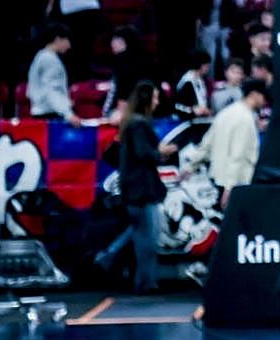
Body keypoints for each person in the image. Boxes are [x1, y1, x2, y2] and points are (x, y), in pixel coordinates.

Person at [96, 81, 176, 292]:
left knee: (139, 232)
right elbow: (144, 153)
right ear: (146, 99)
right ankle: (145, 282)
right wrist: (162, 152)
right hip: (140, 190)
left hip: (135, 189)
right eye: (155, 97)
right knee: (146, 239)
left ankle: (107, 258)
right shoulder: (138, 124)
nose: (158, 102)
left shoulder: (131, 123)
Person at [181, 78, 267, 211]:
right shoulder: (245, 119)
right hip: (236, 186)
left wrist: (190, 166)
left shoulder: (225, 113)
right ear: (254, 94)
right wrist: (230, 188)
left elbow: (206, 144)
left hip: (219, 181)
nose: (265, 101)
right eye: (263, 96)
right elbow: (238, 156)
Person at [27, 25, 81, 126]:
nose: (69, 46)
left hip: (40, 112)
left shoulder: (40, 56)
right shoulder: (50, 60)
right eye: (67, 41)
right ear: (57, 39)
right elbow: (51, 90)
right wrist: (68, 114)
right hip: (50, 115)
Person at [196, 0, 245, 71]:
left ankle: (228, 76)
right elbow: (198, 5)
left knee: (225, 54)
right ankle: (210, 79)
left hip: (225, 25)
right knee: (210, 55)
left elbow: (240, 4)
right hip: (209, 24)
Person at [173, 50, 212, 120]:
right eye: (206, 65)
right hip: (188, 121)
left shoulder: (201, 80)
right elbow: (177, 106)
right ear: (201, 64)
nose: (208, 68)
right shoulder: (186, 82)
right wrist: (193, 111)